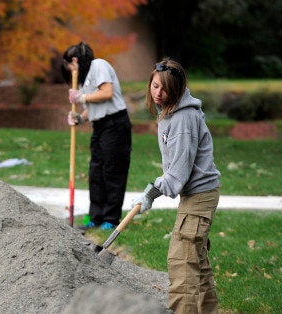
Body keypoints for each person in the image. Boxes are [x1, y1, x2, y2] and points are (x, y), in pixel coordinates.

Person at [131, 58, 221, 313]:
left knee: (182, 263)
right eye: (155, 86)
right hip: (199, 194)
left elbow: (178, 173)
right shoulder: (172, 113)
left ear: (178, 90)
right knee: (196, 261)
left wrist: (152, 191)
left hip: (199, 196)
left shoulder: (182, 120)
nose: (158, 94)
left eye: (165, 89)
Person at [62, 42, 132, 231]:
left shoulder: (98, 65)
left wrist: (81, 98)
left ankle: (110, 218)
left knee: (112, 170)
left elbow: (106, 93)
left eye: (70, 64)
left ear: (75, 60)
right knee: (96, 171)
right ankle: (95, 216)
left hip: (116, 124)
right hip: (100, 126)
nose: (69, 69)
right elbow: (93, 106)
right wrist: (79, 118)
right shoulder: (83, 79)